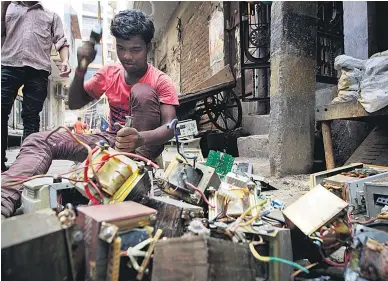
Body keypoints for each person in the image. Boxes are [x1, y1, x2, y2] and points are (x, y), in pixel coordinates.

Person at [1, 10, 179, 218]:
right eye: (121, 48)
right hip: (110, 142)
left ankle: (133, 176)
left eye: (135, 49)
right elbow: (75, 102)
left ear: (148, 47)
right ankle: (4, 200)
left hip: (141, 148)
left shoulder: (160, 80)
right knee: (39, 140)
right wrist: (82, 67)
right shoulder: (109, 73)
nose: (127, 56)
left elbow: (170, 126)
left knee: (142, 91)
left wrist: (140, 138)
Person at [1, 1, 71, 171]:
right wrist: (3, 7)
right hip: (9, 65)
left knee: (31, 117)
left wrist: (65, 61)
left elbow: (61, 41)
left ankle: (25, 165)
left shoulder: (51, 16)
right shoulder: (8, 8)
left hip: (38, 70)